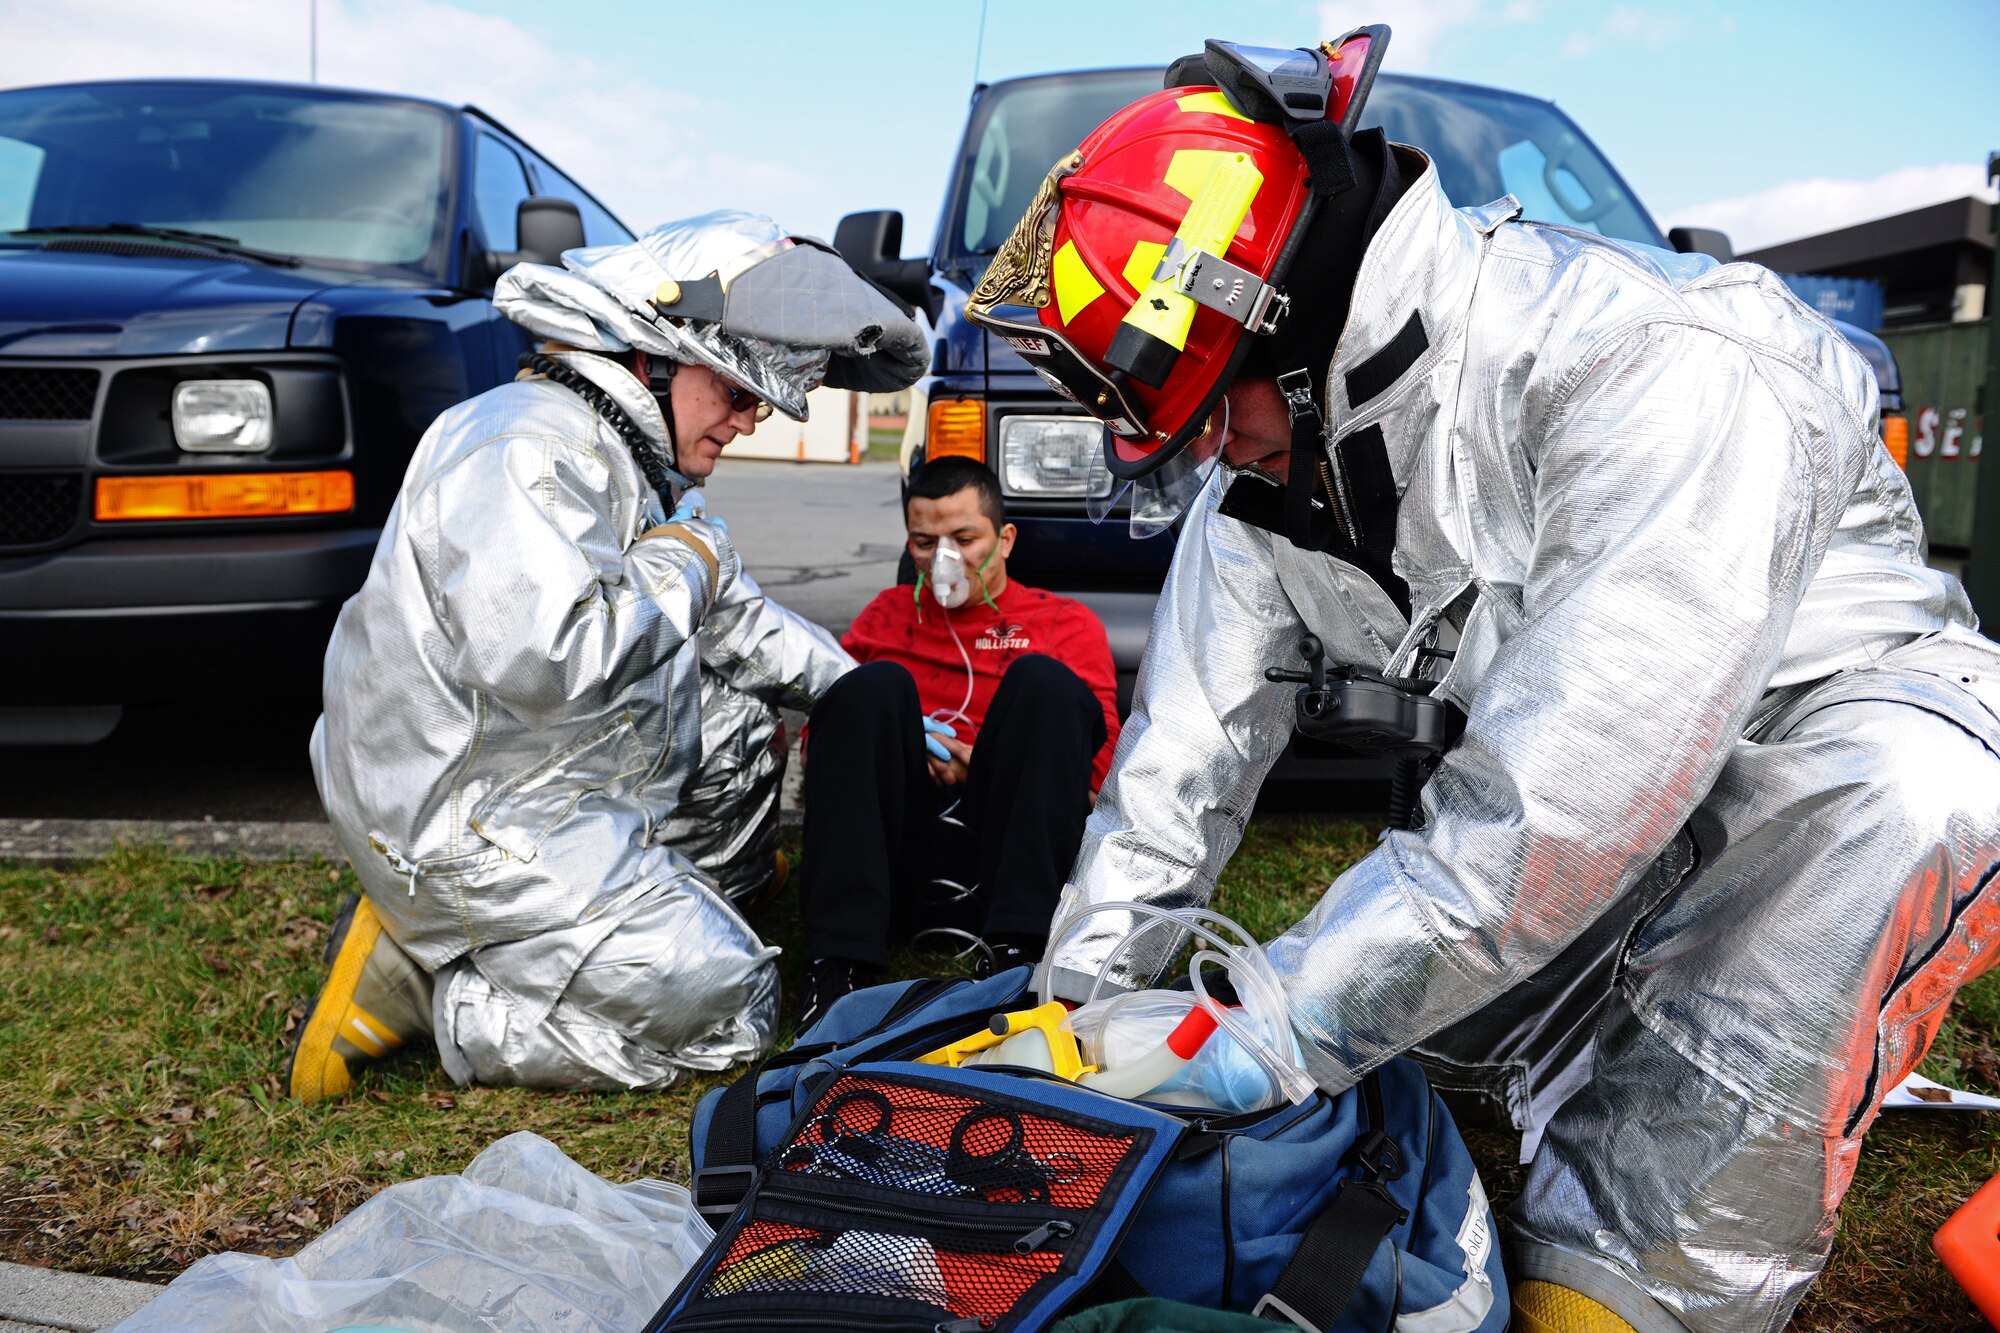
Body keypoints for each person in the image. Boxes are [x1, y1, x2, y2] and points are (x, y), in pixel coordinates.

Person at [965, 32, 2000, 1333]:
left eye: (1214, 402)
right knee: (1411, 1017)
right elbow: (1176, 772)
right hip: (1582, 830)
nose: (1214, 449)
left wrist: (1263, 1034)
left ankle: (1647, 1277)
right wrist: (1077, 1019)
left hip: (1819, 760)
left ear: (1291, 324)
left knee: (1900, 801)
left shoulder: (1670, 363)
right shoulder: (1275, 469)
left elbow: (1562, 800)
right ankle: (1563, 1061)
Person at [290, 211, 927, 1101]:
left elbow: (745, 626)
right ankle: (441, 983)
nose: (746, 425)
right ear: (653, 356)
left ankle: (613, 928)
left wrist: (912, 731)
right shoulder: (526, 447)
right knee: (736, 1004)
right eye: (738, 396)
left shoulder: (622, 451)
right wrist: (682, 562)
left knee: (744, 716)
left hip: (536, 776)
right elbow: (547, 657)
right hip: (466, 820)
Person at [793, 457, 1122, 1029]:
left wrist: (987, 765)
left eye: (965, 539)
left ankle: (1021, 956)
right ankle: (838, 963)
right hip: (900, 849)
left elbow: (1099, 774)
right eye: (924, 542)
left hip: (1016, 850)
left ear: (1005, 539)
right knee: (870, 686)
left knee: (1043, 683)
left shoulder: (1062, 622)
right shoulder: (887, 616)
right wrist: (901, 750)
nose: (945, 559)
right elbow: (822, 746)